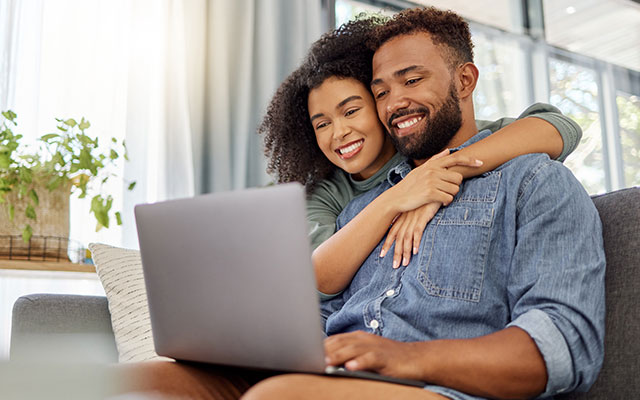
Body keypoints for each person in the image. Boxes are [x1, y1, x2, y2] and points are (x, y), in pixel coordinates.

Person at [243, 7, 605, 400]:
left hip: (441, 389)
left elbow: (565, 346)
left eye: (412, 80)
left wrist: (404, 358)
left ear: (464, 80)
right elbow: (322, 312)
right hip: (337, 378)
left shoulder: (533, 182)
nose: (395, 103)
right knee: (173, 380)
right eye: (381, 92)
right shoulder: (355, 213)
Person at [259, 17, 581, 299]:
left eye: (352, 111)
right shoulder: (330, 193)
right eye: (323, 124)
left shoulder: (424, 140)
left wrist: (443, 170)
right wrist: (403, 194)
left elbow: (556, 128)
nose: (339, 131)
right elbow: (316, 277)